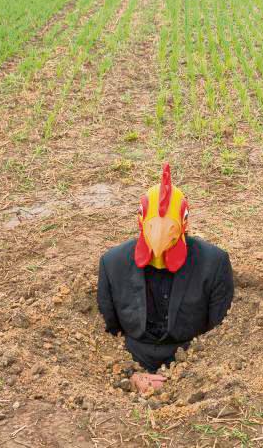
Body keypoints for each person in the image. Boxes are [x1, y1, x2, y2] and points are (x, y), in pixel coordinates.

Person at [97, 164, 234, 392]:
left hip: (193, 360)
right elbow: (105, 333)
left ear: (185, 223)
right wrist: (129, 374)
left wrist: (188, 377)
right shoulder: (113, 264)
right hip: (133, 356)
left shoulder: (214, 263)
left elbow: (221, 334)